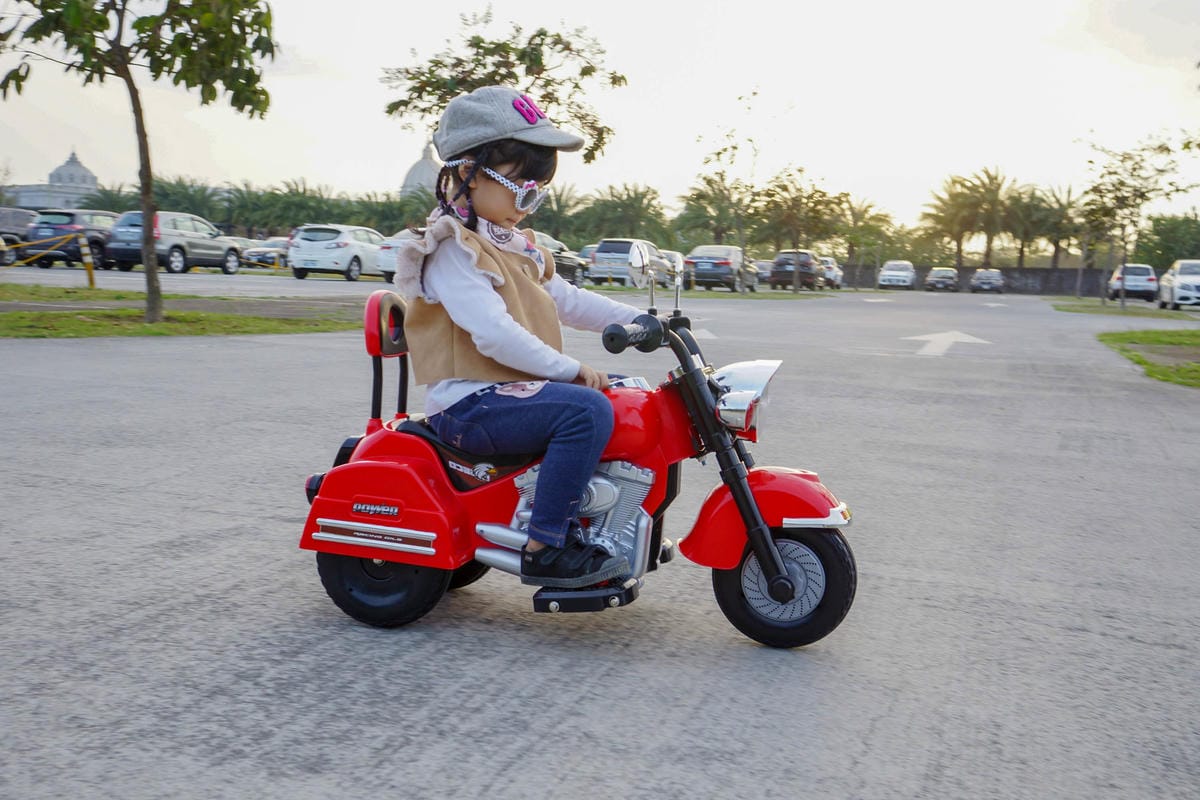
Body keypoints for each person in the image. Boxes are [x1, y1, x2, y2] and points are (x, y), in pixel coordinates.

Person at [393, 85, 642, 589]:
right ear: (466, 173)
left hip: (506, 394)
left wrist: (641, 321)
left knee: (626, 391)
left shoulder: (512, 243)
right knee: (585, 408)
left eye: (538, 191)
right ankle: (546, 544)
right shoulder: (452, 250)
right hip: (468, 405)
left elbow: (569, 300)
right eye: (518, 186)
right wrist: (570, 370)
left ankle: (607, 518)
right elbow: (492, 335)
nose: (528, 202)